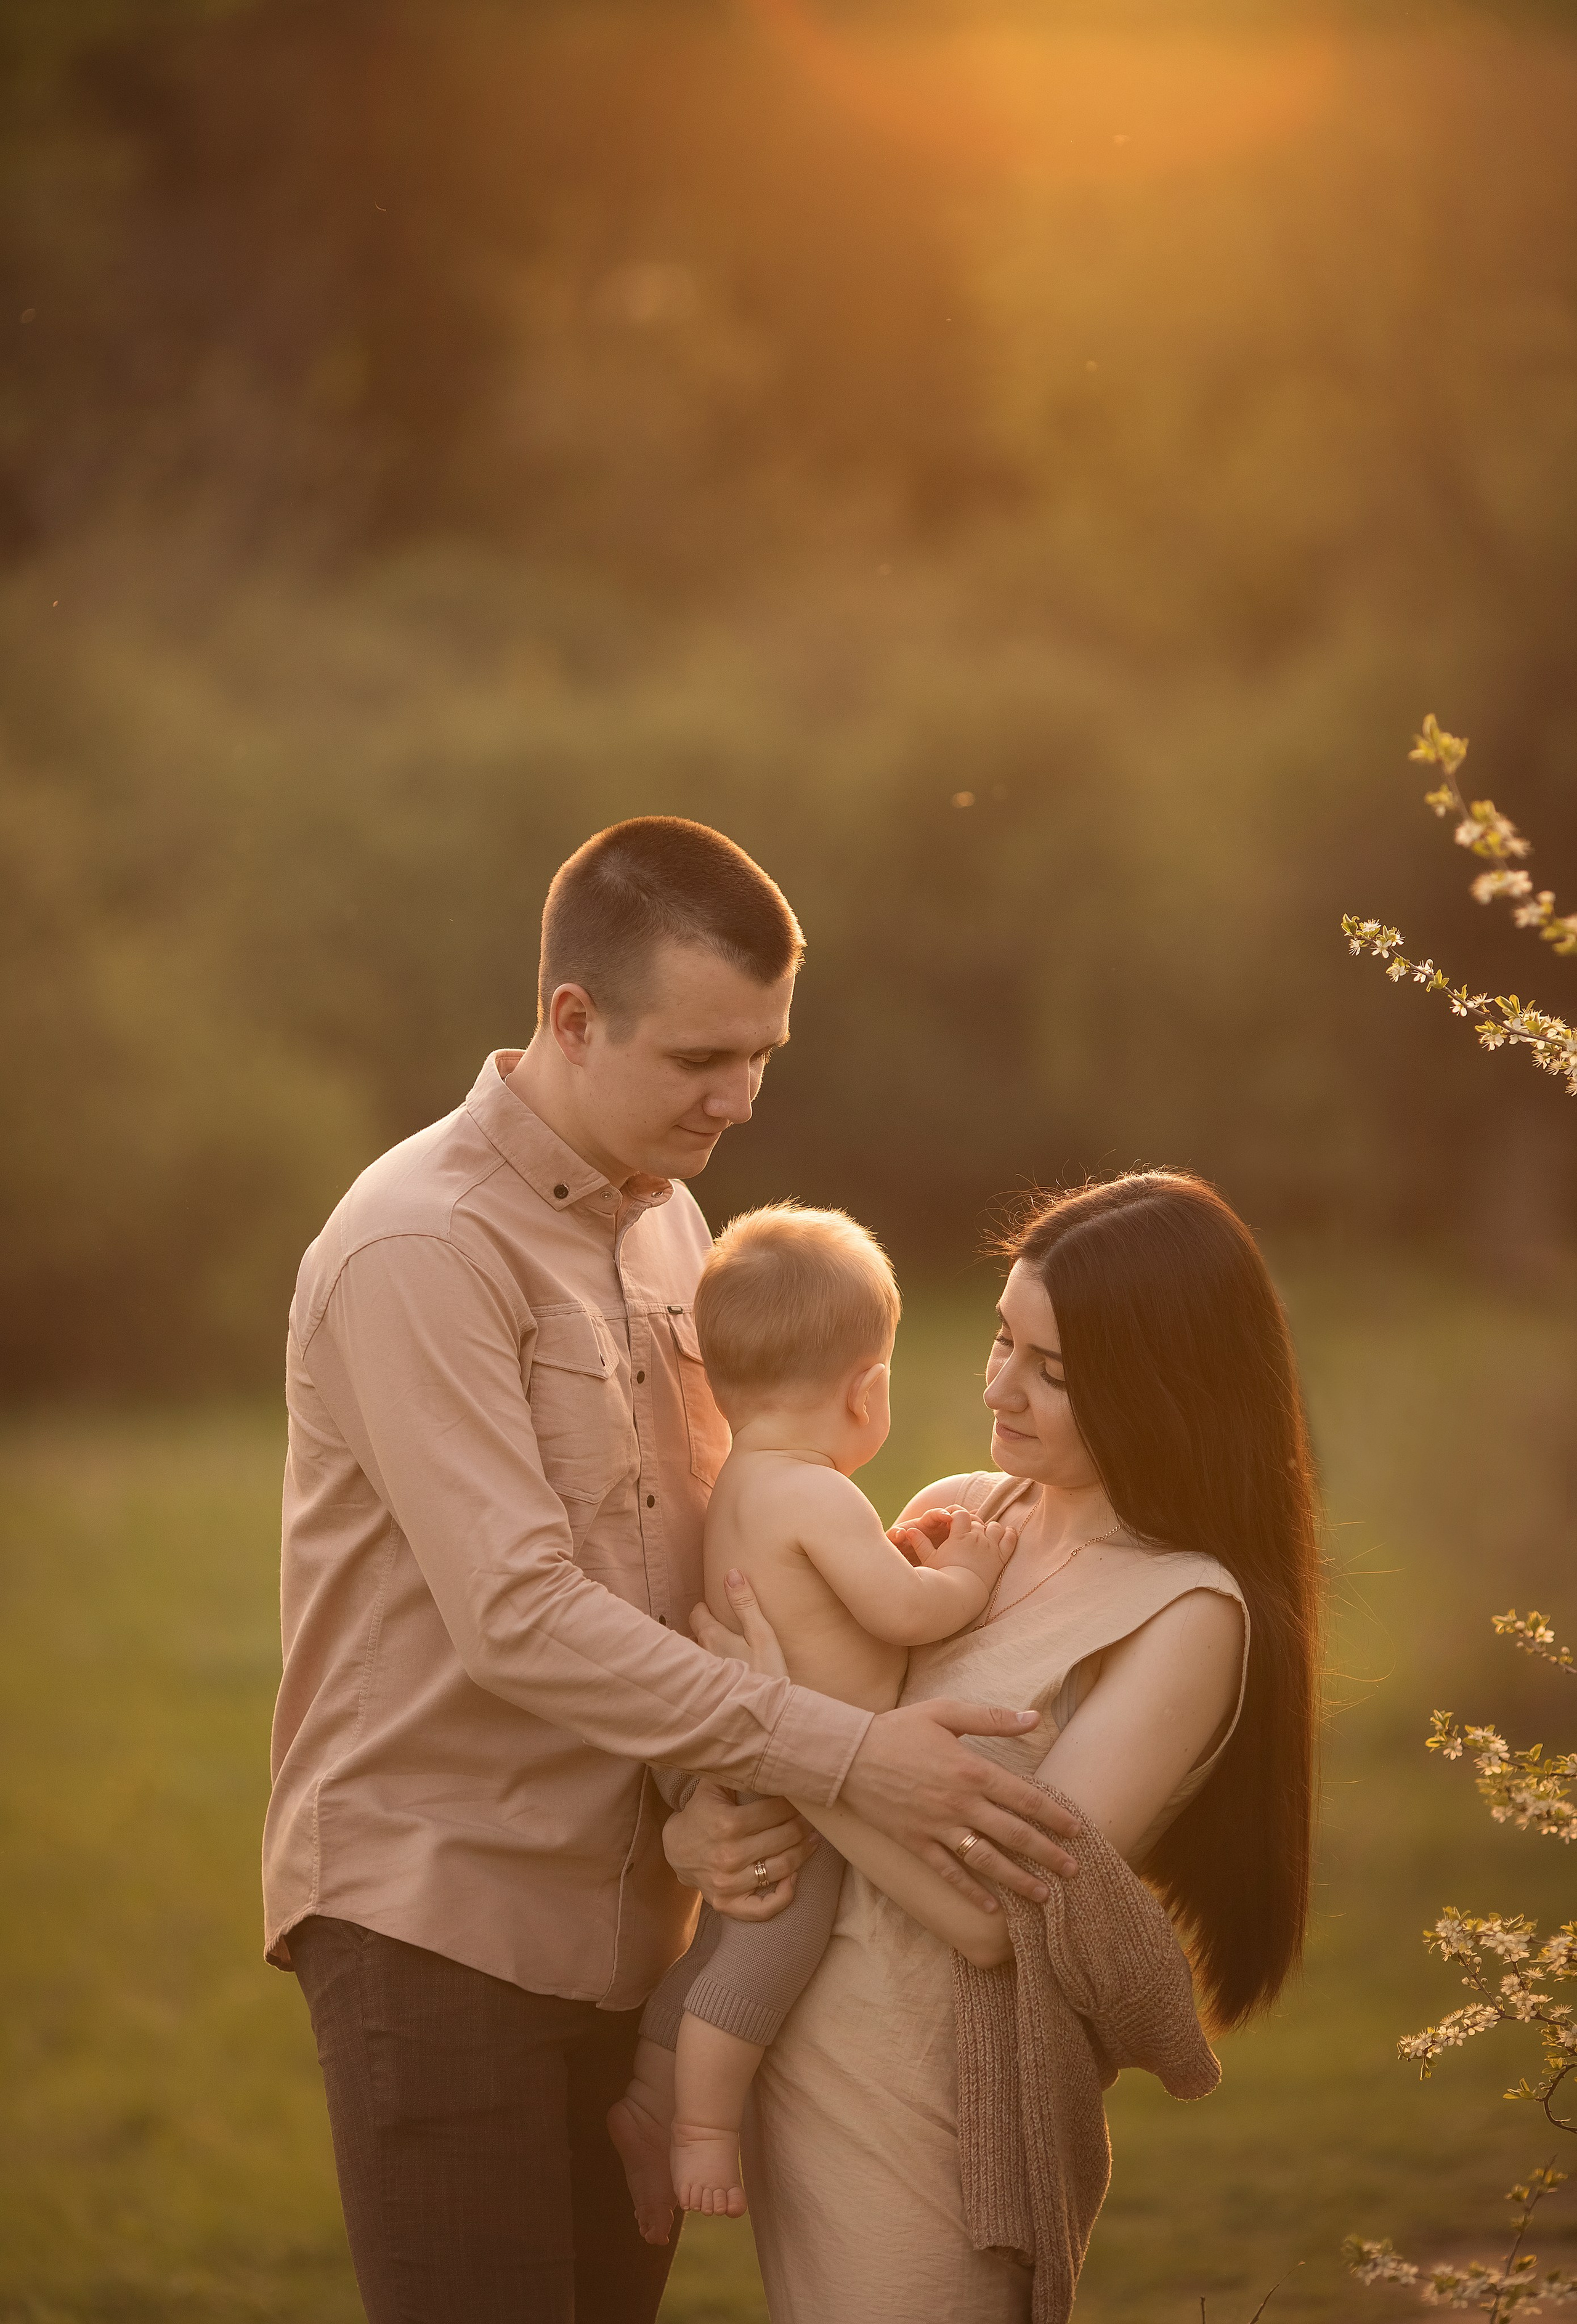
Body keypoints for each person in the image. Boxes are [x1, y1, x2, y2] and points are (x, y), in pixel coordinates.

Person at [261, 815, 1079, 2324]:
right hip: (443, 1915)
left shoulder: (672, 1226)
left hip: (648, 1924)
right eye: (702, 1058)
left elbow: (688, 1569)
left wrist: (703, 1800)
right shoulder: (417, 1248)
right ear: (573, 1019)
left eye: (762, 1053)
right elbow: (521, 1617)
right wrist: (851, 1759)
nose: (741, 1096)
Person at [675, 1170, 1321, 2323]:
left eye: (1053, 1370)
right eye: (1002, 1336)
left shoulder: (1185, 1614)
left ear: (1160, 1387)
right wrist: (703, 1828)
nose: (999, 1385)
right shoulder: (969, 1510)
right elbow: (784, 1746)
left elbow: (998, 1919)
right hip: (782, 2058)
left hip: (936, 2128)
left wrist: (781, 1729)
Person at [610, 1203, 1018, 2235]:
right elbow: (902, 1612)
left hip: (746, 1747)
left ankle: (650, 2094)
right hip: (805, 1775)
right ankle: (702, 2128)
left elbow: (828, 1596)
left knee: (720, 1938)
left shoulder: (739, 1485)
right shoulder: (820, 1495)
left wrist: (894, 1552)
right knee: (773, 1947)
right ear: (865, 1391)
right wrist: (966, 1575)